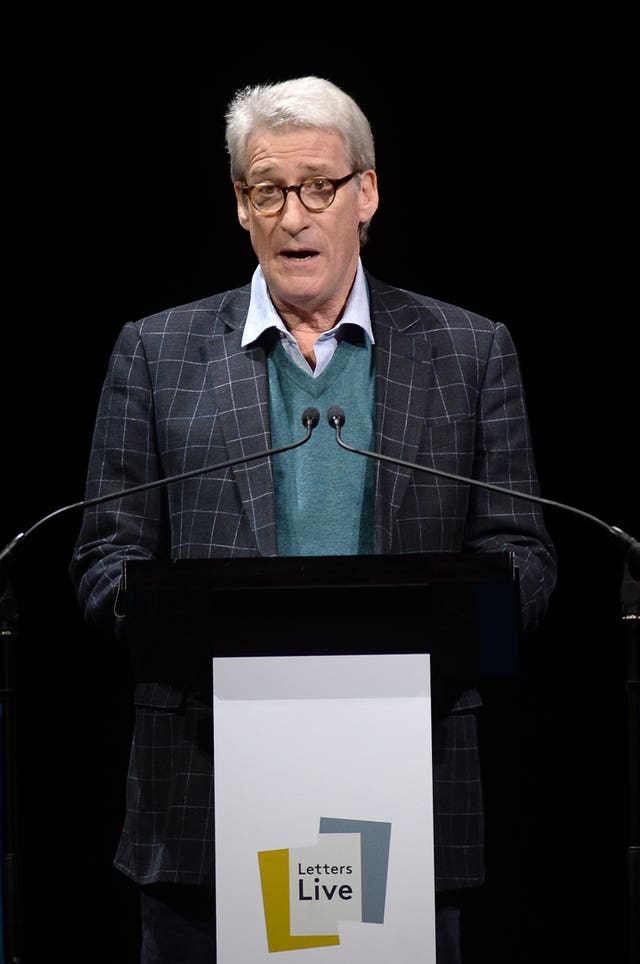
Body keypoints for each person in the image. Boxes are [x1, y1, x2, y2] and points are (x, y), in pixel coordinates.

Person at [69, 76, 557, 963]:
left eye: (320, 187)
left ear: (366, 194)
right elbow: (106, 555)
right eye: (268, 190)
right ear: (241, 207)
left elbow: (521, 551)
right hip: (205, 795)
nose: (296, 215)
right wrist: (171, 616)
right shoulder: (156, 351)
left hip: (407, 790)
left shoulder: (471, 351)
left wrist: (456, 614)